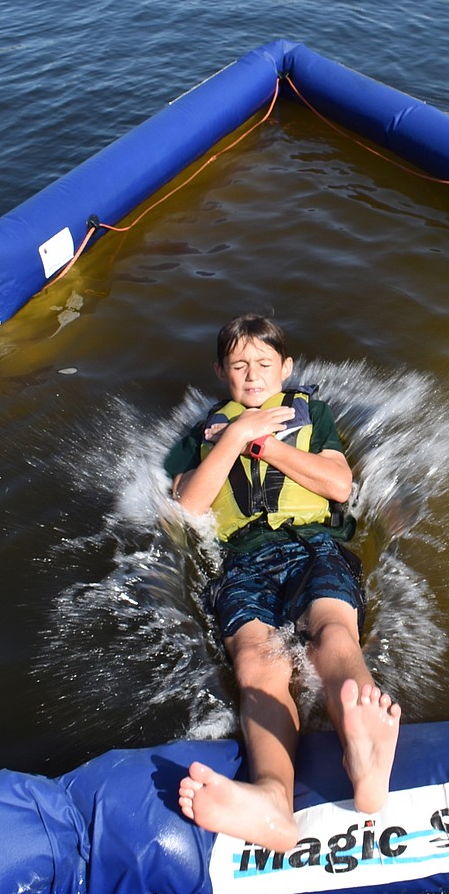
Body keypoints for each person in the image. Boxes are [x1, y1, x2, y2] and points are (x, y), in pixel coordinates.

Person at [166, 313, 401, 851]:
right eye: (239, 365)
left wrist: (264, 445)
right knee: (255, 659)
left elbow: (339, 485)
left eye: (264, 364)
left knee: (332, 634)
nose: (252, 375)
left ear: (286, 368)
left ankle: (364, 756)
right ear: (222, 372)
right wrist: (235, 437)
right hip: (243, 560)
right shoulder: (202, 433)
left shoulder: (310, 413)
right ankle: (273, 800)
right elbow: (189, 504)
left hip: (313, 543)